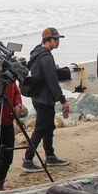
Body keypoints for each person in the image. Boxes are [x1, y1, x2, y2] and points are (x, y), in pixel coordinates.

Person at [21, 27, 70, 173]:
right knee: (40, 130)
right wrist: (62, 100)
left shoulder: (37, 52)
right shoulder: (46, 57)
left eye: (58, 39)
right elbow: (52, 82)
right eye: (55, 39)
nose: (58, 41)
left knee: (49, 128)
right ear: (47, 41)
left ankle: (50, 156)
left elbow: (44, 75)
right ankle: (28, 160)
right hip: (44, 99)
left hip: (38, 97)